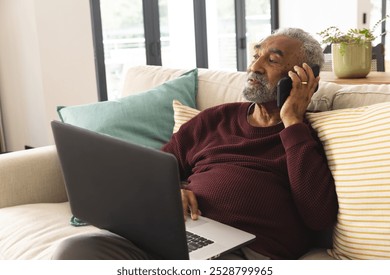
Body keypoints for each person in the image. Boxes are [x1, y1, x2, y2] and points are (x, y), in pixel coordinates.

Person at [53, 27, 338, 260]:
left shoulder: (304, 138)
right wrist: (173, 191)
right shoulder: (216, 118)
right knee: (75, 251)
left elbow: (317, 217)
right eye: (255, 55)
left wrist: (291, 121)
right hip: (176, 235)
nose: (254, 66)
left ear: (304, 79)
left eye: (272, 60)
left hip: (242, 254)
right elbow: (152, 176)